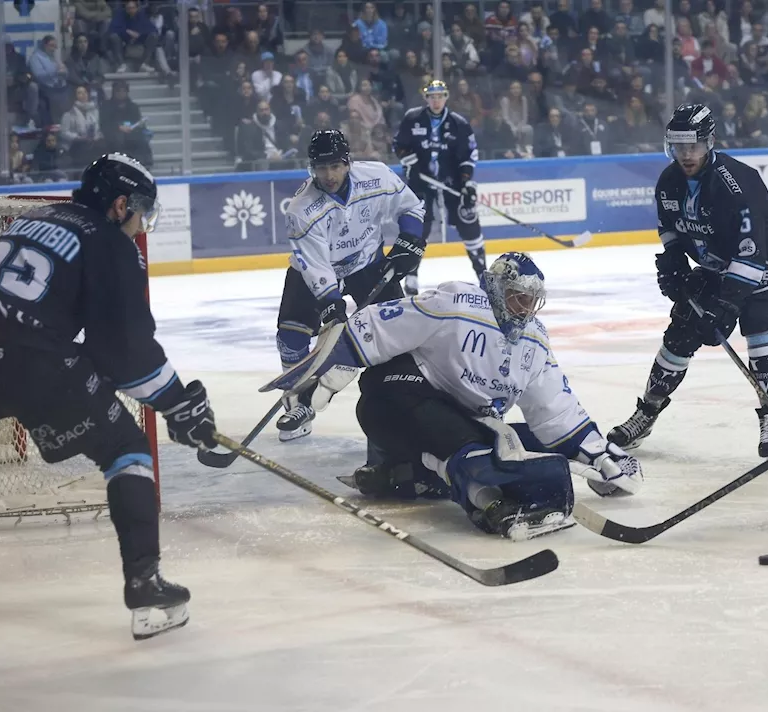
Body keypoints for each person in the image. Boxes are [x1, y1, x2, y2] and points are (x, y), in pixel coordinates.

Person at [0, 154, 218, 639]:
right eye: (140, 211)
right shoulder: (109, 242)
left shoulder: (34, 219)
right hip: (28, 360)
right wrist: (176, 403)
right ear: (120, 204)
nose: (139, 224)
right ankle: (146, 588)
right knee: (126, 450)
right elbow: (123, 350)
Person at [291, 253, 643, 539]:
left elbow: (554, 410)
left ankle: (402, 473)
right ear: (495, 287)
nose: (523, 309)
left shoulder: (534, 340)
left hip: (460, 421)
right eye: (518, 297)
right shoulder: (457, 302)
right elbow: (382, 324)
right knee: (468, 449)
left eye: (531, 301)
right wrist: (335, 361)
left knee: (521, 442)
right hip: (397, 400)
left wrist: (596, 452)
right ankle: (483, 499)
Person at [609, 104, 768, 458]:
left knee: (758, 322)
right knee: (682, 330)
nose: (685, 154)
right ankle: (647, 411)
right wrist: (673, 262)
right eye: (678, 147)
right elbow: (669, 227)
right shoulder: (669, 181)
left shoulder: (736, 183)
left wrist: (727, 304)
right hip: (720, 264)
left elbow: (750, 252)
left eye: (692, 146)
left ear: (709, 142)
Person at [273, 129, 425, 441]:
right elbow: (315, 264)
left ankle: (403, 397)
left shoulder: (377, 177)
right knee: (291, 335)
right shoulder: (302, 209)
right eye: (321, 167)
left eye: (334, 166)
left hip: (367, 263)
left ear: (347, 163)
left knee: (396, 332)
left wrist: (410, 241)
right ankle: (297, 401)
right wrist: (330, 302)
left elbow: (411, 207)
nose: (328, 175)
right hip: (314, 269)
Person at [393, 80, 485, 294]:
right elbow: (399, 144)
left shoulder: (458, 123)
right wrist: (410, 161)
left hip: (452, 181)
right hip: (421, 181)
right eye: (432, 96)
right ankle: (412, 274)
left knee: (468, 220)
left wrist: (467, 182)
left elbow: (468, 154)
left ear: (446, 97)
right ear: (426, 98)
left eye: (440, 96)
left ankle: (482, 273)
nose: (436, 100)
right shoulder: (413, 118)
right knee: (417, 226)